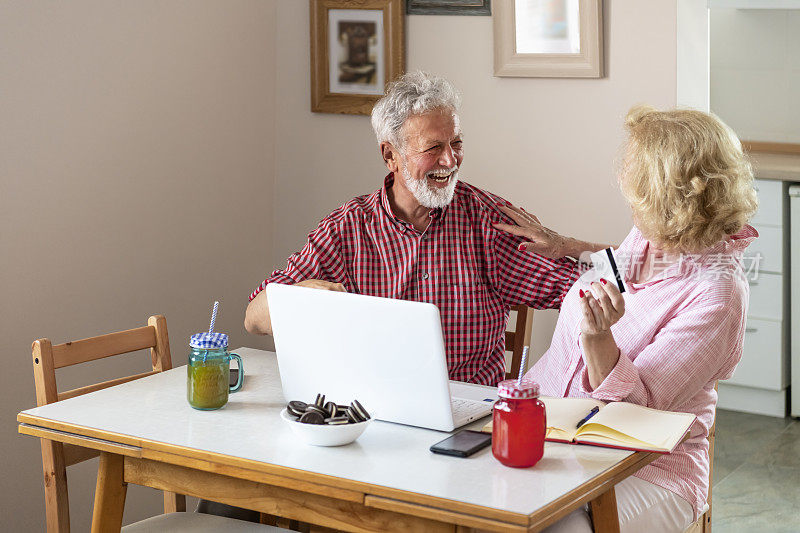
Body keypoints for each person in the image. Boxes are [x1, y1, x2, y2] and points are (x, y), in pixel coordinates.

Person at [245, 71, 605, 386]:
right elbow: (254, 318)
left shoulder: (489, 223)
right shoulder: (347, 229)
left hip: (469, 413)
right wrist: (302, 296)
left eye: (456, 143)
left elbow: (592, 291)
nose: (450, 160)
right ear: (390, 156)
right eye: (433, 148)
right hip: (371, 409)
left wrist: (569, 245)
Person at [500, 105, 758, 532]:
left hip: (648, 468)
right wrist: (566, 245)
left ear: (669, 200)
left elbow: (635, 413)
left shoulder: (719, 295)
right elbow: (626, 265)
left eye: (636, 179)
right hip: (554, 432)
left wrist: (598, 338)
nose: (625, 186)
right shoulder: (655, 233)